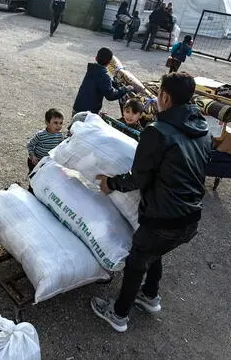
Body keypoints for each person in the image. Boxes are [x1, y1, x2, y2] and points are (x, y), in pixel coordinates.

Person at [91, 72, 212, 332]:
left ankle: (119, 314)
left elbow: (138, 178)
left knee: (137, 261)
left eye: (159, 94)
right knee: (154, 251)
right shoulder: (203, 131)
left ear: (165, 97)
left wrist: (110, 183)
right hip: (190, 218)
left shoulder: (157, 133)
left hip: (163, 219)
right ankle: (149, 295)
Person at [72, 47, 132, 115]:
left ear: (96, 58)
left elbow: (101, 82)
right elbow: (111, 95)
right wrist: (125, 89)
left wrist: (114, 83)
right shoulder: (104, 77)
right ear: (109, 63)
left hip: (77, 109)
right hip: (87, 114)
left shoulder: (91, 70)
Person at [27, 108, 65, 173]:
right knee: (34, 178)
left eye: (61, 123)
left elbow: (60, 147)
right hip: (35, 162)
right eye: (55, 123)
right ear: (47, 123)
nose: (59, 126)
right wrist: (32, 156)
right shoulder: (40, 135)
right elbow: (30, 145)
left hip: (47, 163)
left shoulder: (60, 135)